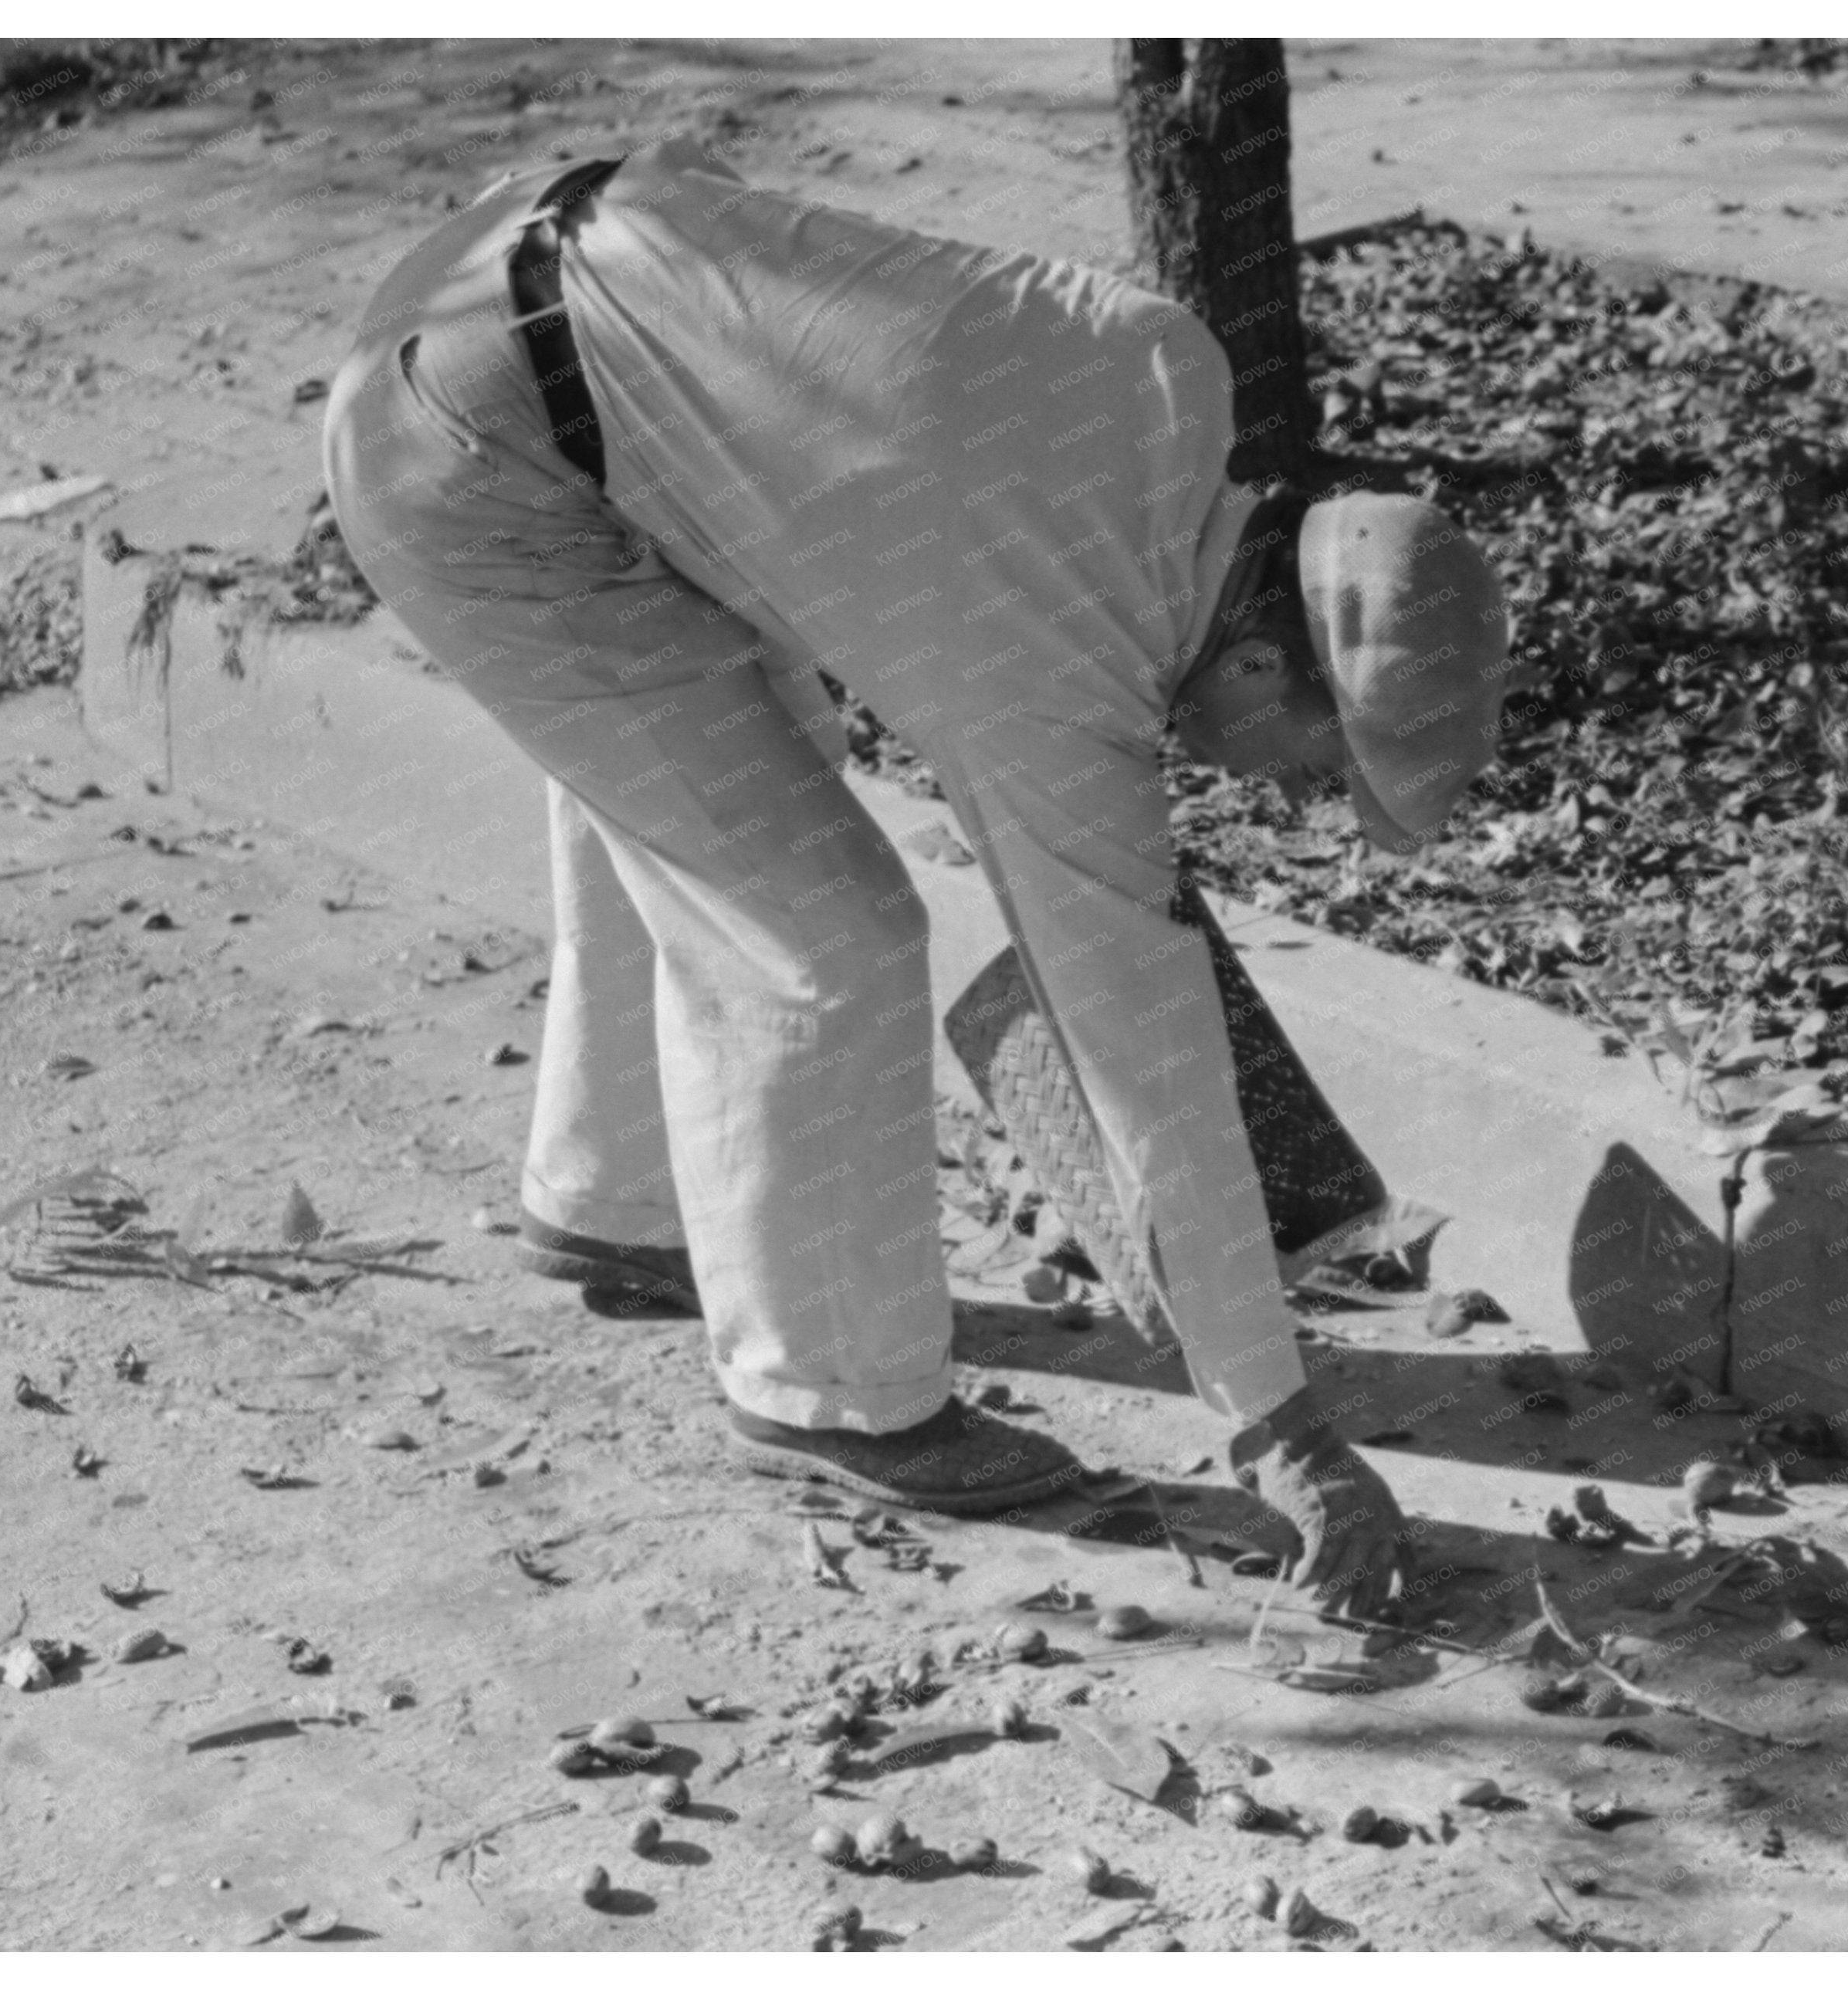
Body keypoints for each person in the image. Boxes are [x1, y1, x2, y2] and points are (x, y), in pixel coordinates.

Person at [319, 137, 1517, 1615]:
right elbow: (1135, 1050)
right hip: (465, 455)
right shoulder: (1056, 662)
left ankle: (613, 1200)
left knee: (717, 778)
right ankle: (829, 1398)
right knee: (824, 930)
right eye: (1319, 767)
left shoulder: (1167, 375)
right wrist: (1277, 1422)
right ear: (1266, 661)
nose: (1288, 796)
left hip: (541, 298)